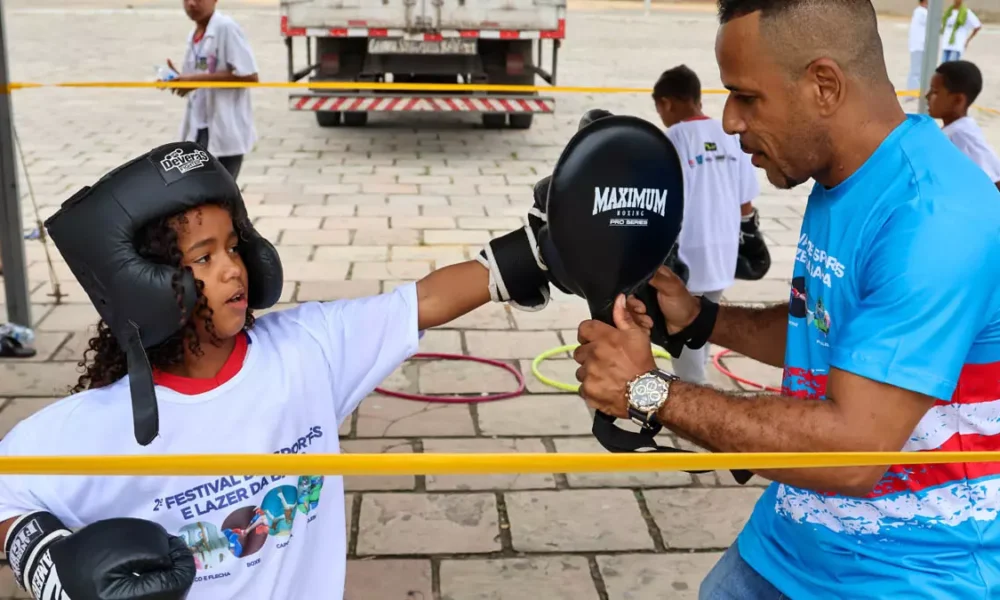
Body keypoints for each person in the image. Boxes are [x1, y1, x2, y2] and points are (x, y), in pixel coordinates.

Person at [573, 1, 1000, 598]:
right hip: (791, 539)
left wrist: (647, 390)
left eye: (746, 96)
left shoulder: (932, 218)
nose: (728, 120)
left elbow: (854, 451)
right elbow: (828, 331)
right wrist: (703, 319)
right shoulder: (842, 179)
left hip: (912, 572)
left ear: (823, 85)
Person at [0, 141, 556, 600]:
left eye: (234, 247)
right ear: (139, 283)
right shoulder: (96, 427)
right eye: (203, 257)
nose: (232, 269)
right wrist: (49, 562)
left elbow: (423, 301)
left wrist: (538, 251)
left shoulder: (305, 352)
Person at [650, 64, 763, 384]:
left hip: (687, 249)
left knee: (681, 320)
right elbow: (746, 201)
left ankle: (692, 391)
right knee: (708, 313)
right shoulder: (730, 135)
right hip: (725, 246)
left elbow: (660, 199)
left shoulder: (671, 138)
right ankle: (697, 377)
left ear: (666, 103)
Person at [165, 0, 259, 179]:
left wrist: (195, 79)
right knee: (197, 191)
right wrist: (179, 79)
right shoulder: (195, 34)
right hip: (200, 127)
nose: (192, 4)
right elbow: (198, 76)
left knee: (219, 197)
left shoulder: (226, 28)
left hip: (225, 128)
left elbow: (250, 76)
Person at [926, 60, 1000, 190]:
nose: (927, 96)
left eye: (935, 92)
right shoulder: (955, 130)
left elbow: (993, 181)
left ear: (958, 100)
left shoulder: (960, 136)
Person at [907, 0, 928, 93]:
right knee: (916, 71)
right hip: (919, 46)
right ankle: (913, 92)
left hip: (917, 45)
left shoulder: (918, 11)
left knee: (916, 70)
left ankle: (913, 91)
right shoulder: (922, 12)